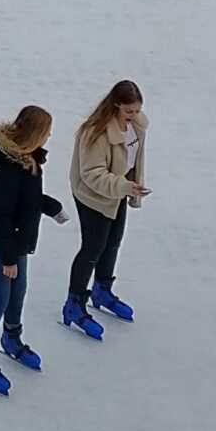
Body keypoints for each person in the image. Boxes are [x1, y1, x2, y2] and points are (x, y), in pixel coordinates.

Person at [0, 104, 67, 396]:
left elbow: (28, 199)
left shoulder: (29, 162)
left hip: (17, 242)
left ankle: (12, 338)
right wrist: (9, 259)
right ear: (33, 134)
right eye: (46, 132)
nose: (50, 136)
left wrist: (52, 208)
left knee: (18, 291)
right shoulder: (9, 170)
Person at [67, 80, 150, 337]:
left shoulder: (136, 126)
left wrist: (131, 186)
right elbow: (91, 174)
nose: (134, 116)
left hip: (118, 192)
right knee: (93, 248)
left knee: (113, 242)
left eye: (137, 110)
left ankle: (103, 290)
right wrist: (125, 187)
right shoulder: (96, 133)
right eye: (128, 111)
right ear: (115, 105)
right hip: (93, 197)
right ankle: (74, 303)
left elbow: (132, 160)